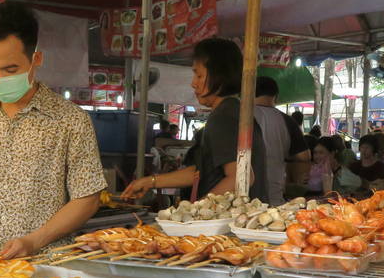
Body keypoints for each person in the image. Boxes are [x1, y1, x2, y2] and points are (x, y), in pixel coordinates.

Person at [0, 2, 107, 258]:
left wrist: (34, 241)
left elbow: (87, 198)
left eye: (10, 69)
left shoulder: (71, 121)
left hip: (50, 267)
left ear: (36, 58)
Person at [122, 38, 269, 203]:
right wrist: (151, 181)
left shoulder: (224, 117)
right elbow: (200, 172)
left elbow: (241, 177)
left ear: (219, 76)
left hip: (228, 224)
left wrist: (197, 213)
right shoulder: (233, 111)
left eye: (199, 75)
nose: (193, 83)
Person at [253, 76, 310, 206]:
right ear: (276, 96)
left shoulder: (240, 116)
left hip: (242, 198)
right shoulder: (286, 120)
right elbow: (304, 156)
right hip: (274, 196)